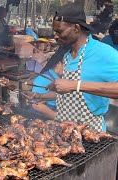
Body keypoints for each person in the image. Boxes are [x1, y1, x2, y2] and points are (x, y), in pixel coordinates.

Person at [30, 3, 118, 132]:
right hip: (64, 132)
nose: (55, 36)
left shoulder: (103, 53)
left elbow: (75, 87)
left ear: (76, 28)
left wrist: (75, 85)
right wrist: (42, 96)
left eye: (59, 31)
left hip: (90, 133)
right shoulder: (67, 54)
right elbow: (74, 96)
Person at [28, 46, 70, 119]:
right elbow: (37, 106)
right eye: (69, 66)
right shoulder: (42, 80)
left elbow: (65, 95)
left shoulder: (65, 79)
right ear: (59, 64)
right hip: (43, 117)